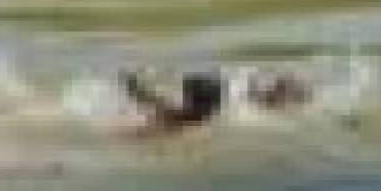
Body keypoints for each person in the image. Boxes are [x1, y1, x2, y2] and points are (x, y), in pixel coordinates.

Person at [119, 67, 312, 134]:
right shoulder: (261, 102)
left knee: (180, 116)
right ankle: (139, 95)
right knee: (182, 120)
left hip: (210, 86)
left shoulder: (258, 94)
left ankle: (139, 94)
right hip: (213, 91)